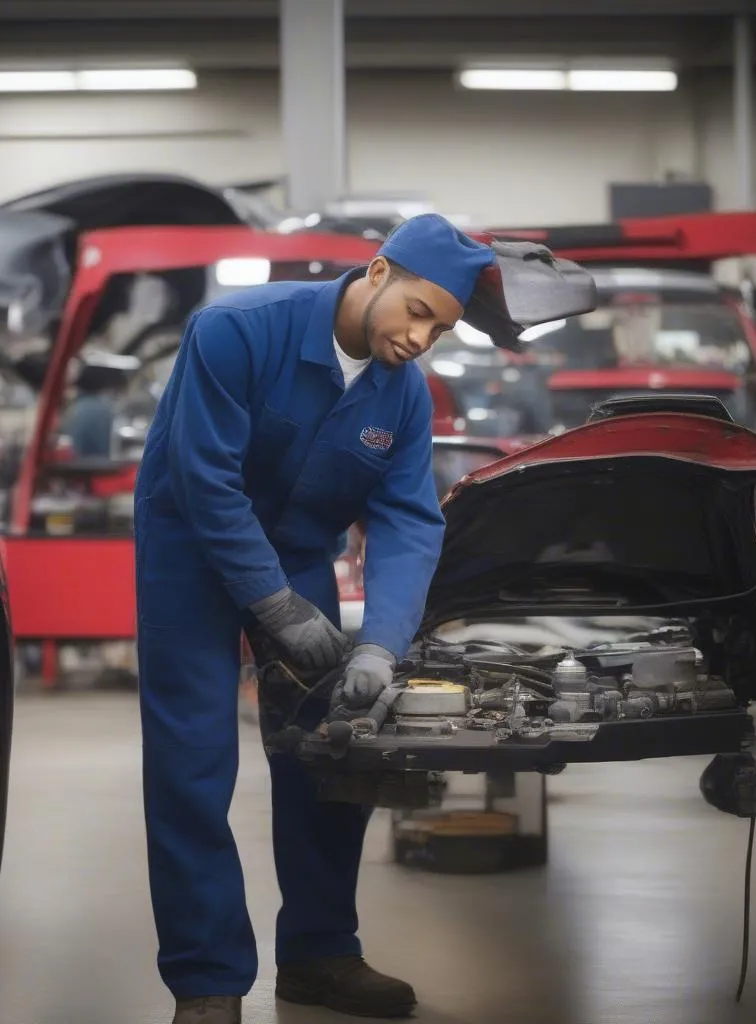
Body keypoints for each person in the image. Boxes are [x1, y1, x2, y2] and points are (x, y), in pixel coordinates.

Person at [133, 214, 497, 1024]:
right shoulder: (235, 332)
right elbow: (205, 479)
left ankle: (321, 951)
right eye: (418, 311)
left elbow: (408, 521)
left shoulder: (400, 396)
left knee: (333, 747)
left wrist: (380, 647)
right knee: (192, 764)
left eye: (440, 327)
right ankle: (208, 980)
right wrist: (271, 605)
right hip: (189, 548)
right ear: (376, 272)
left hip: (299, 557)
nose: (421, 338)